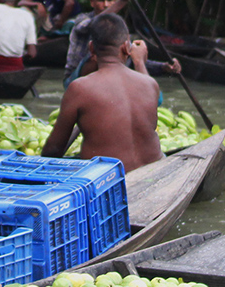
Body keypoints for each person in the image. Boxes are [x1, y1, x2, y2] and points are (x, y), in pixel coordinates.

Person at [41, 12, 162, 172]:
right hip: (155, 173)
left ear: (91, 48)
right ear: (127, 47)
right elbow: (156, 103)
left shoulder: (79, 88)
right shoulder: (150, 83)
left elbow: (54, 150)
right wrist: (139, 62)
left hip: (108, 181)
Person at [64, 0, 180, 88]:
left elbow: (131, 58)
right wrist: (123, 1)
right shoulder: (82, 19)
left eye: (109, 1)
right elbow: (93, 25)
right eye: (101, 0)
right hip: (75, 79)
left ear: (114, 1)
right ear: (92, 2)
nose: (105, 5)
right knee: (95, 59)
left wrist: (164, 67)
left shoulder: (118, 27)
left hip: (109, 80)